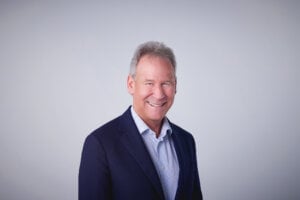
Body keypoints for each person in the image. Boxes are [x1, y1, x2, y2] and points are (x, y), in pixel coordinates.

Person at [79, 41, 203, 200]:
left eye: (166, 83)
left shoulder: (186, 141)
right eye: (149, 83)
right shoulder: (100, 144)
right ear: (131, 85)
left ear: (175, 86)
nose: (158, 94)